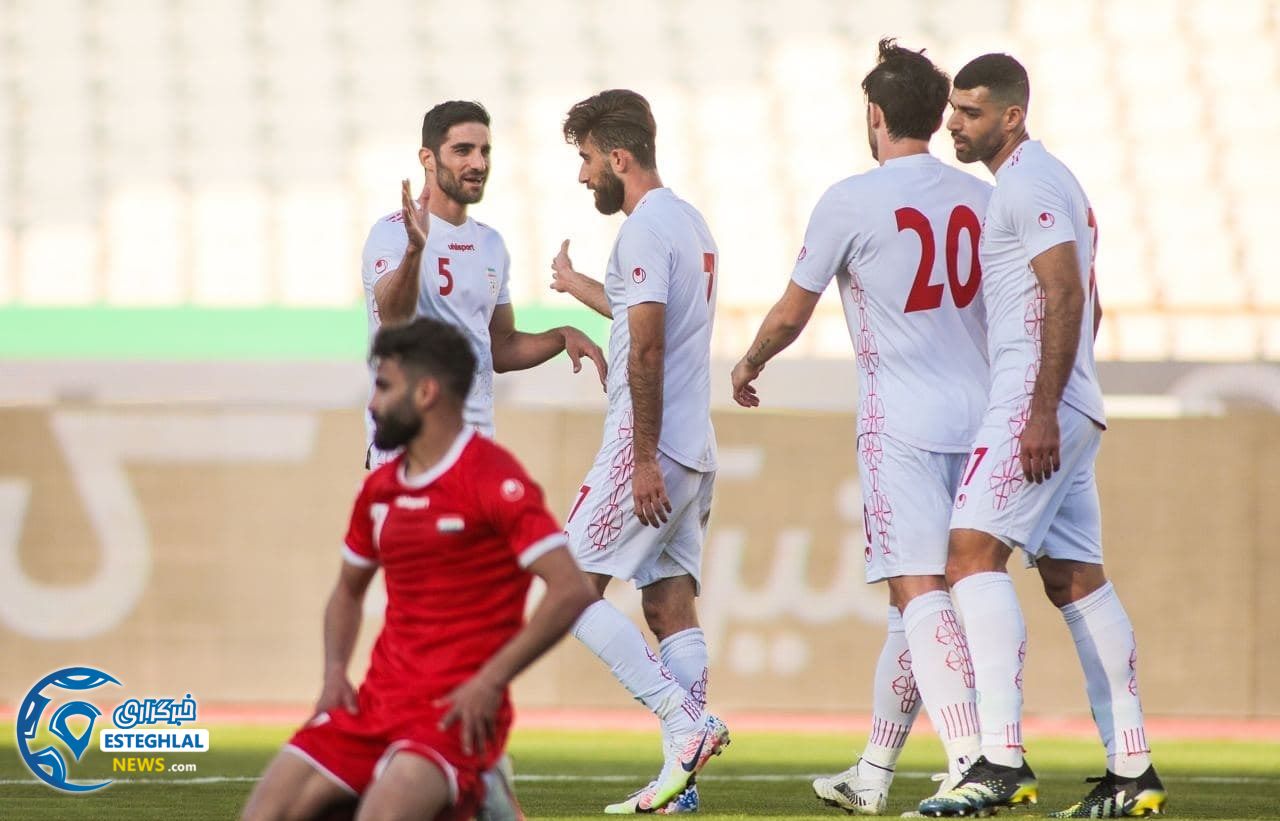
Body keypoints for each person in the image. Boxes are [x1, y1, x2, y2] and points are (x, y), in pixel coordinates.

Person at [730, 39, 990, 815]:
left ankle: (973, 758)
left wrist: (748, 361)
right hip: (980, 418)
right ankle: (874, 769)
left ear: (874, 115)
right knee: (921, 603)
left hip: (900, 419)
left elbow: (792, 309)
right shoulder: (980, 197)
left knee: (918, 589)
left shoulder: (850, 198)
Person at [917, 54, 1167, 818]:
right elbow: (1085, 298)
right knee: (1075, 577)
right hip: (1065, 401)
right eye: (954, 109)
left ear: (1012, 115)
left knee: (968, 555)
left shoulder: (1027, 182)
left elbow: (1063, 289)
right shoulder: (1045, 180)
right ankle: (1133, 769)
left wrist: (1038, 408)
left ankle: (999, 758)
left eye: (970, 111)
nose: (954, 122)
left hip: (1038, 403)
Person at [241, 317, 596, 821]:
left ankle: (483, 783)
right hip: (375, 708)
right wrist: (334, 672)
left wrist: (490, 681)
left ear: (426, 392)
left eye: (384, 386)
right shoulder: (380, 489)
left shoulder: (493, 479)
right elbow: (347, 592)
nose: (371, 402)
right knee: (265, 813)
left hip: (455, 716)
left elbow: (570, 589)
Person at [548, 89, 727, 815]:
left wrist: (643, 454)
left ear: (619, 158)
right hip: (694, 445)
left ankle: (684, 722)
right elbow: (639, 311)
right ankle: (681, 787)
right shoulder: (689, 223)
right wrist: (573, 286)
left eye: (588, 159)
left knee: (564, 591)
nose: (584, 174)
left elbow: (648, 344)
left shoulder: (644, 231)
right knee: (669, 605)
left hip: (647, 445)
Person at [360, 100, 606, 467]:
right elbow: (393, 318)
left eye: (484, 151)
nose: (478, 164)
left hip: (474, 450)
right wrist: (415, 250)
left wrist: (560, 335)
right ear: (428, 158)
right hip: (410, 449)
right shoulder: (392, 232)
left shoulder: (490, 244)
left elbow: (500, 347)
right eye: (463, 150)